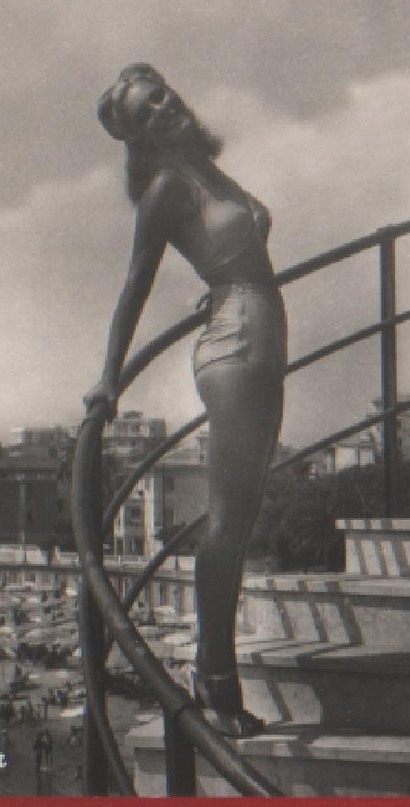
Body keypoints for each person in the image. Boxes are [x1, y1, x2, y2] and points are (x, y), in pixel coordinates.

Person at [87, 63, 282, 738]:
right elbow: (134, 287)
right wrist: (110, 376)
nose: (163, 110)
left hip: (256, 340)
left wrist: (223, 277)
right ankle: (215, 680)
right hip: (236, 349)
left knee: (244, 512)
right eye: (146, 113)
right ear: (140, 139)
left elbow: (233, 251)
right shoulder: (167, 187)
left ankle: (216, 675)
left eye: (162, 96)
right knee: (227, 521)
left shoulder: (205, 167)